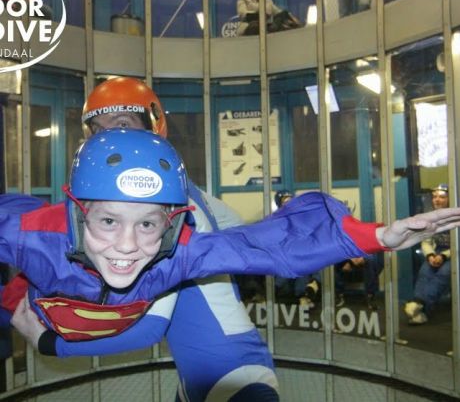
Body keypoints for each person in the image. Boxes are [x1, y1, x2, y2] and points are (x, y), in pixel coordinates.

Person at [7, 129, 460, 351]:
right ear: (75, 212)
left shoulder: (179, 254)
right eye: (108, 222)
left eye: (147, 225)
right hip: (25, 300)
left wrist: (376, 236)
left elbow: (269, 244)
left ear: (171, 223)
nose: (127, 247)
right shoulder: (30, 237)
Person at [3, 77, 280, 402]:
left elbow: (149, 328)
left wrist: (49, 343)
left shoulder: (174, 212)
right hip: (197, 384)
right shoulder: (181, 199)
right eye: (98, 129)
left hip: (238, 382)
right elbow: (233, 223)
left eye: (123, 123)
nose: (110, 137)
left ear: (153, 126)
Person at [404, 184, 451, 325]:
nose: (437, 200)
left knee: (443, 273)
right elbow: (426, 241)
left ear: (450, 199)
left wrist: (443, 256)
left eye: (442, 197)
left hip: (453, 254)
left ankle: (420, 304)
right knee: (425, 272)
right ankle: (420, 312)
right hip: (436, 252)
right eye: (435, 197)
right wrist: (430, 255)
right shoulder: (430, 218)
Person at [236, 0, 301, 36]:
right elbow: (243, 14)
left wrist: (291, 16)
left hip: (266, 26)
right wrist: (261, 11)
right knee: (255, 25)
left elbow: (277, 11)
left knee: (283, 14)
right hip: (250, 26)